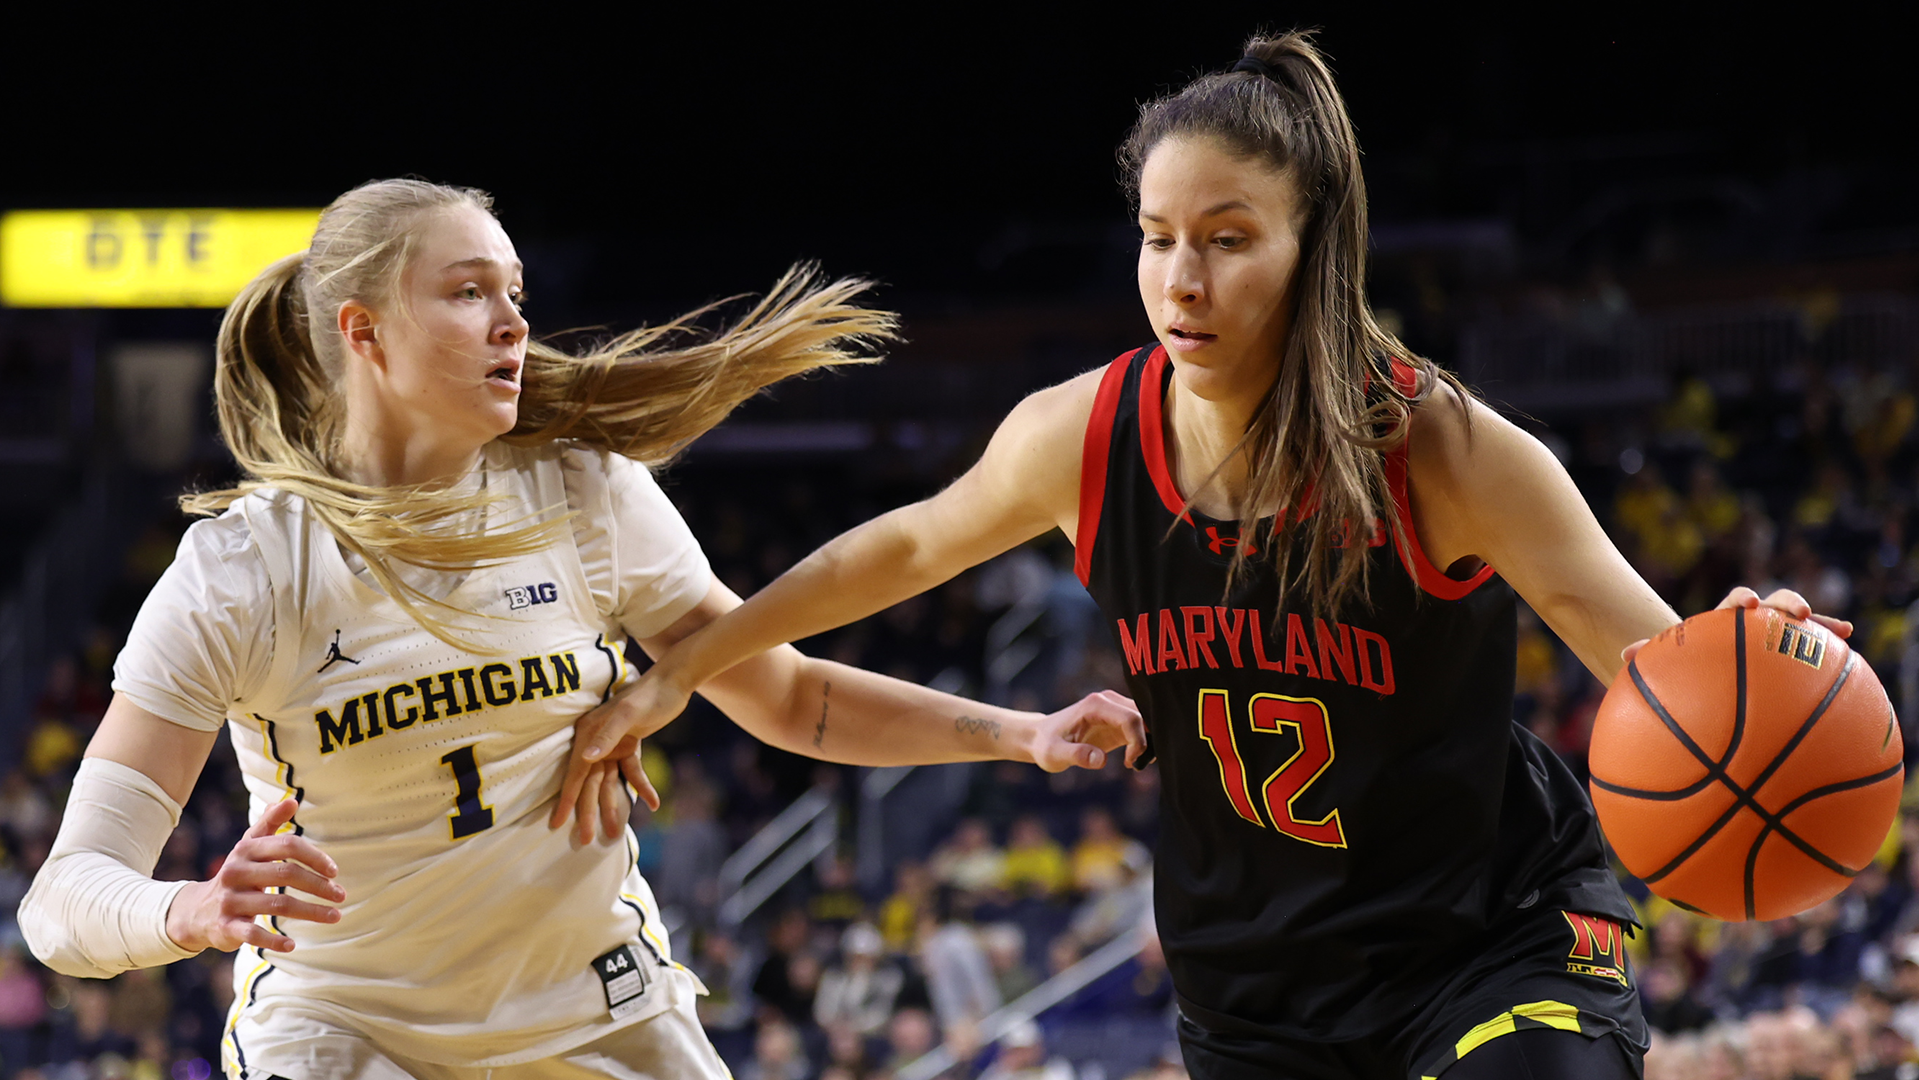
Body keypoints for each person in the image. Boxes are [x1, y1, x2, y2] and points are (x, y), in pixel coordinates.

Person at [560, 33, 1855, 1080]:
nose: (1183, 278)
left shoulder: (1445, 449)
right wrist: (688, 668)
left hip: (1488, 942)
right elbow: (893, 550)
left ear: (1312, 253)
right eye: (1158, 235)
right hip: (1254, 991)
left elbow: (1651, 660)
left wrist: (1732, 663)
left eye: (1229, 240)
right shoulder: (1081, 437)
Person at [16, 179, 1140, 1080]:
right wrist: (193, 909)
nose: (513, 322)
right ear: (362, 331)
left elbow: (792, 699)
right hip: (349, 1031)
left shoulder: (582, 492)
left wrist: (1021, 734)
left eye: (514, 291)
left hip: (595, 1008)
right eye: (466, 293)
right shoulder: (249, 564)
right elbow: (63, 906)